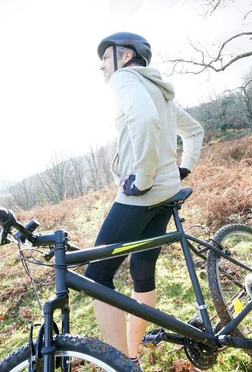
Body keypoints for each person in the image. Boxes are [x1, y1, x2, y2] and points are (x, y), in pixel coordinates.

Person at [84, 32, 204, 367]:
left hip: (142, 194)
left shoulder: (124, 79)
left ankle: (121, 364)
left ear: (124, 56)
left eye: (105, 58)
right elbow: (194, 130)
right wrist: (185, 168)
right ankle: (132, 356)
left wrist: (143, 175)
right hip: (166, 195)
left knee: (96, 278)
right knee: (142, 271)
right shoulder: (160, 91)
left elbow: (145, 120)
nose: (101, 66)